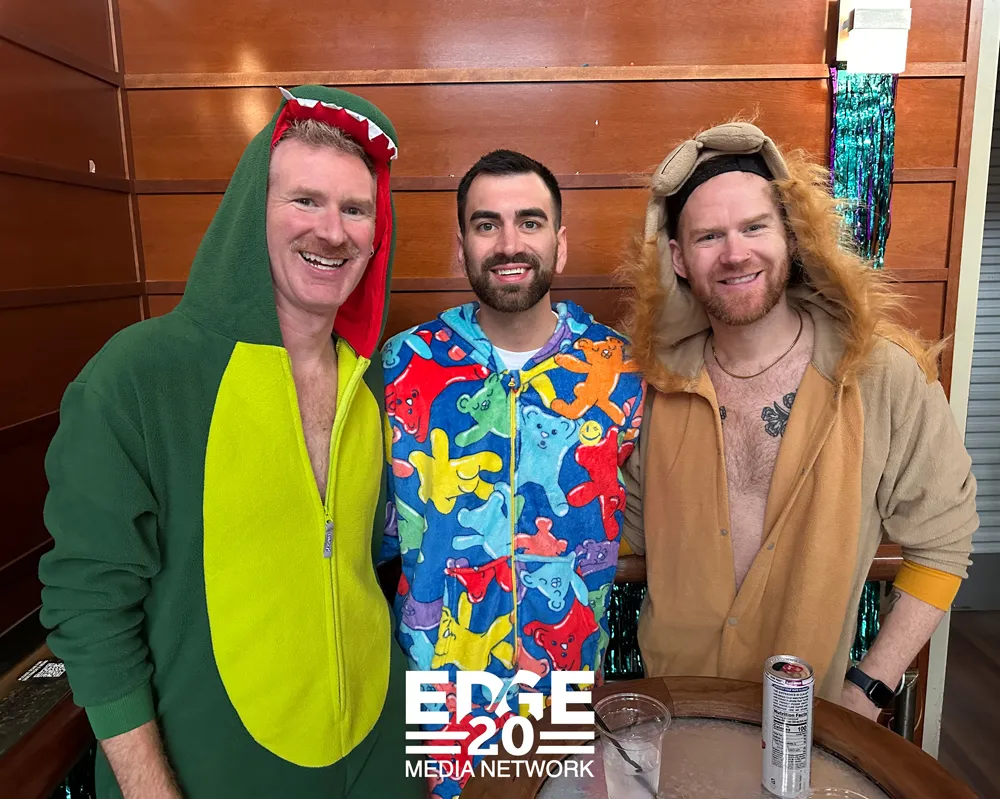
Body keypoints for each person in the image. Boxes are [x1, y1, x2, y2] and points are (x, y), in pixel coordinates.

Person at [38, 86, 423, 798]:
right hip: (211, 770)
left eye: (355, 209)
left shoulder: (376, 383)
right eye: (305, 200)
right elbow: (89, 607)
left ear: (377, 234)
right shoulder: (137, 376)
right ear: (253, 211)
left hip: (381, 754)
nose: (332, 231)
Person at [621, 122, 978, 719]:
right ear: (678, 259)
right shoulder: (651, 388)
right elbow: (619, 528)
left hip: (808, 722)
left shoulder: (880, 374)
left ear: (791, 234)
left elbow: (943, 543)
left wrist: (867, 690)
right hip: (676, 714)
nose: (735, 253)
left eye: (754, 227)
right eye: (709, 236)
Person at [379, 149, 645, 797]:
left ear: (559, 243)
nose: (508, 243)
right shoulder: (402, 366)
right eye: (486, 224)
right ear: (462, 246)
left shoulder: (620, 372)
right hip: (440, 689)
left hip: (564, 679)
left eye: (530, 221)